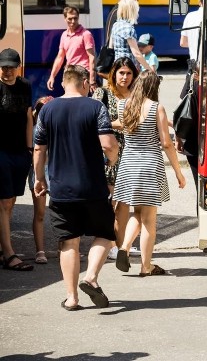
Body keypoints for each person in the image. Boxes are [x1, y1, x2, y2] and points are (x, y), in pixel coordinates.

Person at [33, 65, 119, 309]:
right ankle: (90, 277)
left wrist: (40, 178)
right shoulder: (95, 107)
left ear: (63, 83)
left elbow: (39, 148)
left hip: (61, 189)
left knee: (68, 242)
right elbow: (108, 144)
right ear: (84, 83)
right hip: (93, 186)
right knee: (104, 234)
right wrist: (112, 159)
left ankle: (71, 298)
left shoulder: (47, 109)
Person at [113, 71, 186, 276]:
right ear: (155, 87)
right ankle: (146, 266)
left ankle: (124, 247)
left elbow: (123, 126)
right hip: (149, 166)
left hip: (128, 165)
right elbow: (166, 143)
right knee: (149, 220)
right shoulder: (156, 108)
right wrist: (179, 173)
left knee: (137, 212)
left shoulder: (122, 105)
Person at [92, 57, 141, 260]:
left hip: (131, 155)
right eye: (121, 72)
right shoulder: (102, 93)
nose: (125, 77)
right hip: (108, 155)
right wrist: (121, 124)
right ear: (113, 74)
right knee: (109, 203)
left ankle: (121, 246)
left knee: (124, 203)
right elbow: (92, 121)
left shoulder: (137, 95)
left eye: (128, 73)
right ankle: (108, 243)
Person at [0, 48, 34, 272]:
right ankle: (9, 254)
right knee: (3, 202)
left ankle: (2, 246)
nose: (7, 71)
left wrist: (30, 149)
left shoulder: (25, 86)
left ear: (18, 67)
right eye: (4, 67)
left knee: (10, 202)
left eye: (11, 67)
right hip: (0, 152)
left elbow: (29, 119)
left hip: (20, 152)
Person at [27, 97, 53, 265]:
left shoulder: (58, 127)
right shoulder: (34, 129)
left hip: (56, 170)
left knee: (62, 213)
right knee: (40, 213)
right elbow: (32, 150)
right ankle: (40, 251)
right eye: (40, 108)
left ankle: (65, 246)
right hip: (38, 171)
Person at [47, 6, 97, 92]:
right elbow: (60, 57)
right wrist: (52, 76)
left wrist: (92, 80)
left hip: (82, 75)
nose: (73, 21)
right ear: (65, 18)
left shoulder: (86, 34)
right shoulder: (64, 35)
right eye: (70, 19)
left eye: (75, 18)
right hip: (69, 75)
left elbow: (92, 57)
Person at [112, 0, 153, 72]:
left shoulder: (116, 25)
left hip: (117, 65)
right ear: (132, 11)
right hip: (128, 67)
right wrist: (149, 69)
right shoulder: (129, 28)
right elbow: (136, 53)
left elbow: (111, 46)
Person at [180, 0, 203, 97]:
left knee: (187, 97)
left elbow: (183, 43)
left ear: (199, 1)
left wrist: (194, 43)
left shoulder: (190, 16)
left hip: (194, 65)